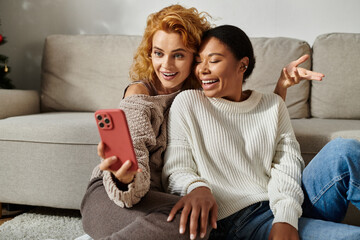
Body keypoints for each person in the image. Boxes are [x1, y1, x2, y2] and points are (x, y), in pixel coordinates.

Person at [81, 5, 324, 240]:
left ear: (193, 58)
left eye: (178, 55)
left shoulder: (199, 90)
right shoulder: (140, 95)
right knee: (193, 221)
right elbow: (134, 159)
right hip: (115, 194)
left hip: (156, 198)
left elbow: (251, 122)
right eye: (158, 53)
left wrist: (280, 88)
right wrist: (127, 179)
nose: (166, 65)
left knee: (202, 219)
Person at [162, 24, 360, 240]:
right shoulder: (187, 103)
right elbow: (176, 168)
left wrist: (285, 218)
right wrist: (197, 187)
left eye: (214, 60)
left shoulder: (273, 105)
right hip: (238, 223)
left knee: (344, 150)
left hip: (282, 206)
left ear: (242, 65)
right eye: (199, 61)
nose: (203, 69)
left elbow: (287, 166)